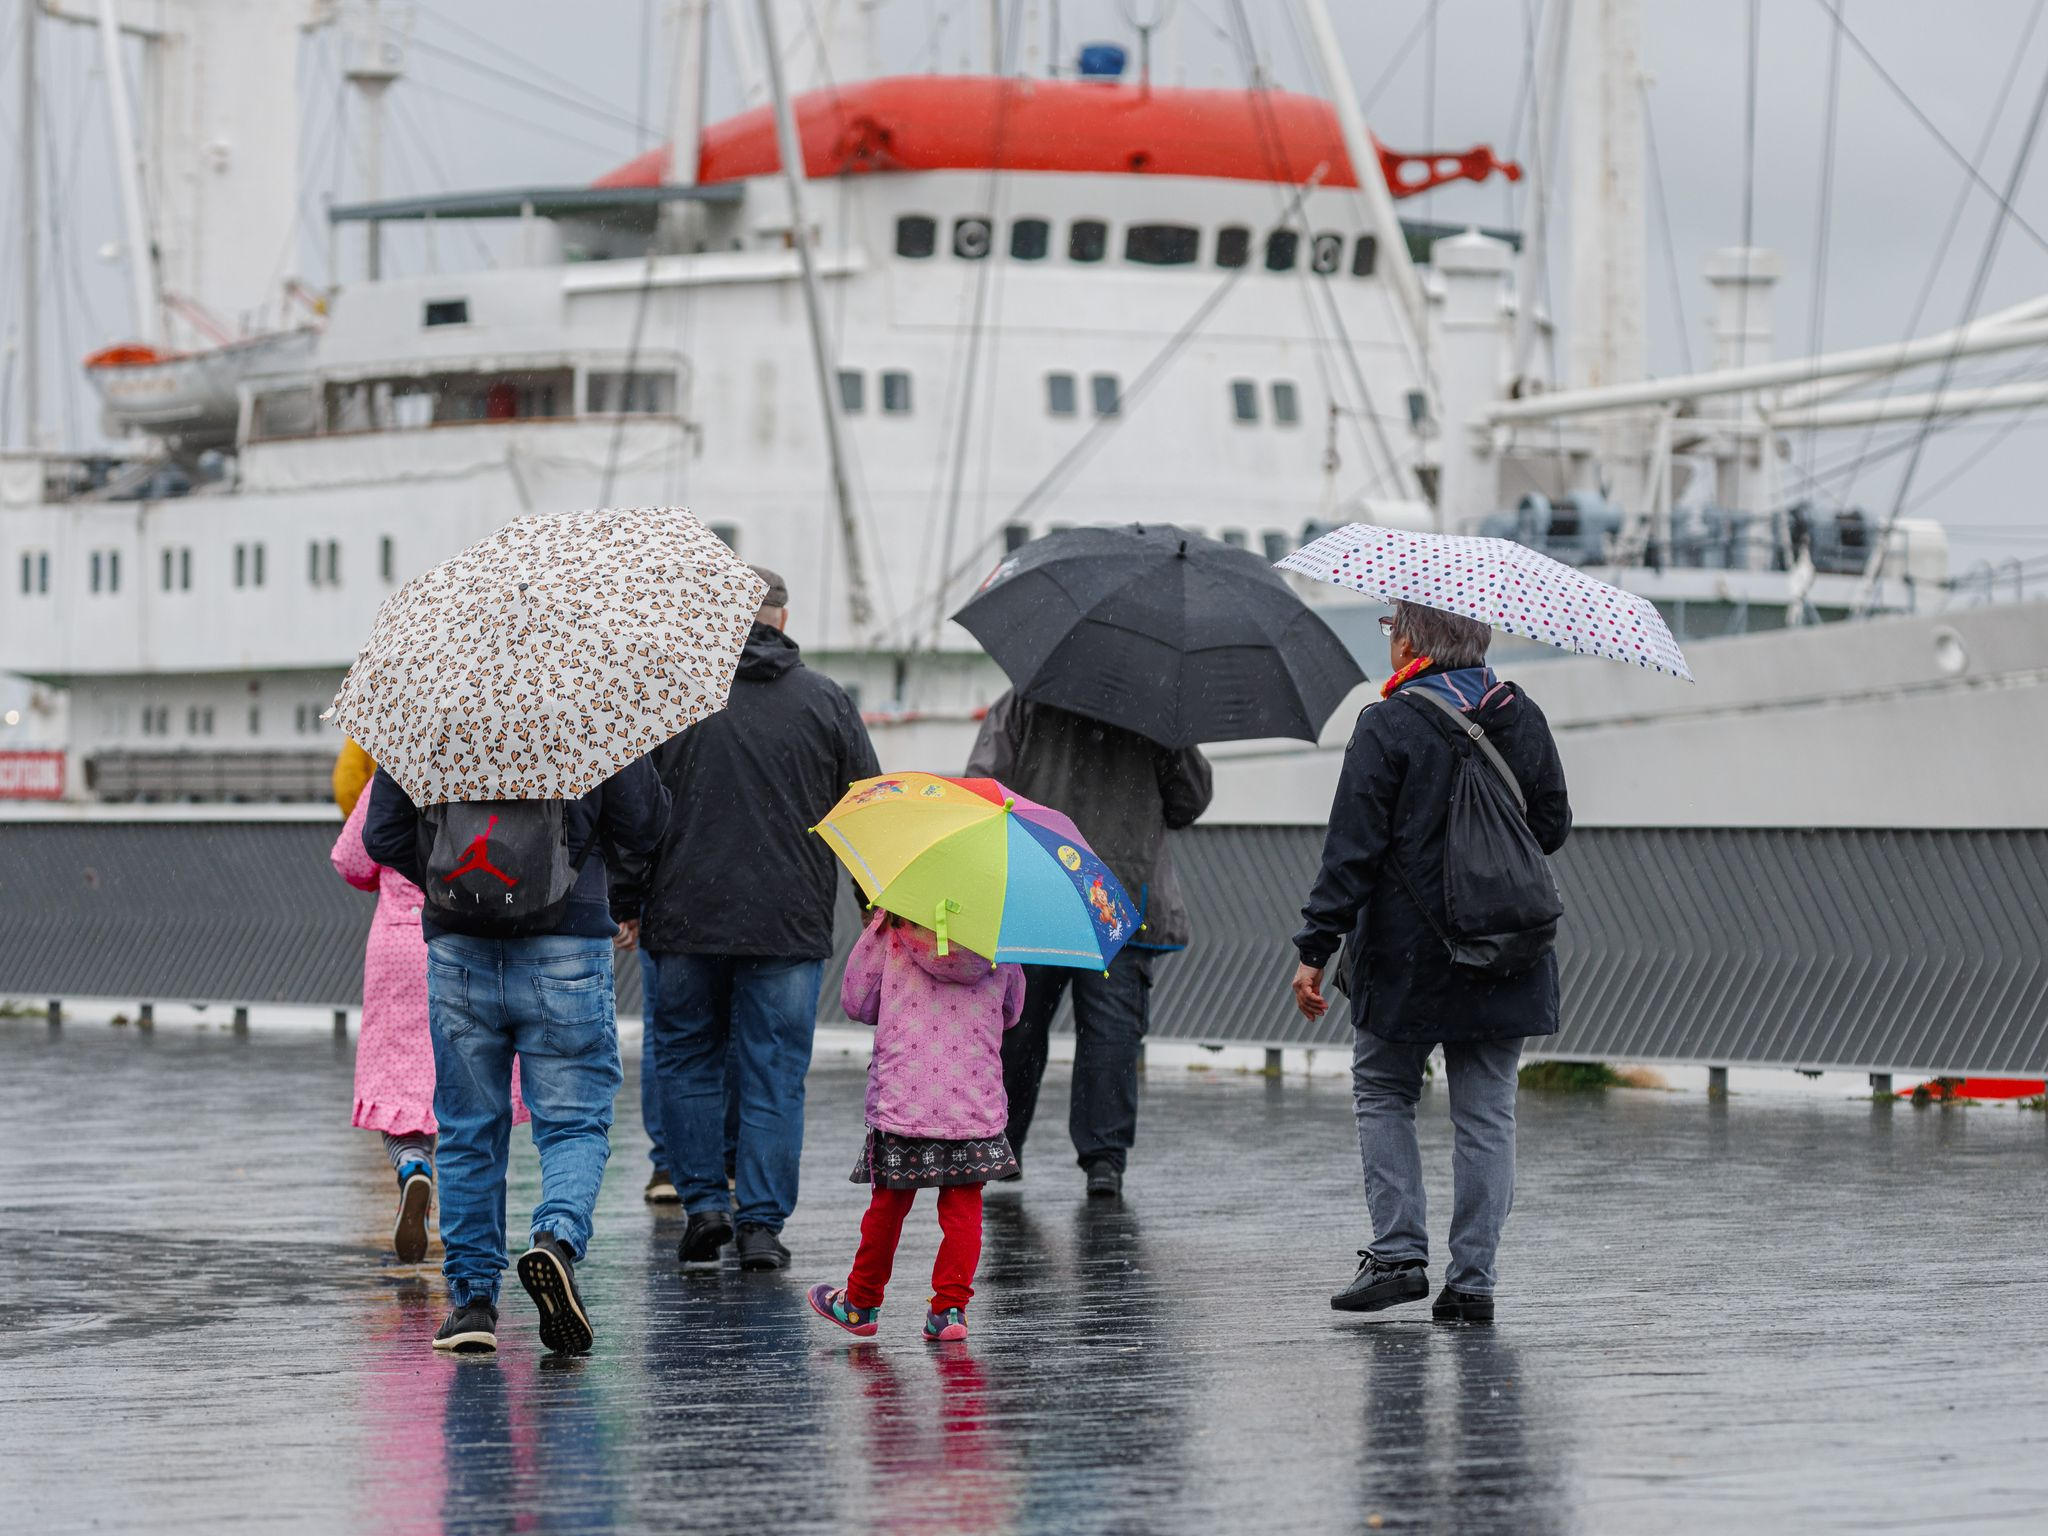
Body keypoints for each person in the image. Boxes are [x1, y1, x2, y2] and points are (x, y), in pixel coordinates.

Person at [1291, 600, 1572, 1325]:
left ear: (1413, 639)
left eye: (1391, 629)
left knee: (1385, 1088)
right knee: (1487, 1113)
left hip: (1407, 952)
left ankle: (1397, 1255)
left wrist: (1315, 947)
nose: (1390, 640)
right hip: (1505, 949)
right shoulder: (1520, 714)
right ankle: (1473, 1281)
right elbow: (1550, 827)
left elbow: (1350, 851)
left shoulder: (1387, 724)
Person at [612, 566, 879, 1273]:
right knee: (773, 1073)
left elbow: (637, 816)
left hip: (685, 918)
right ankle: (761, 1225)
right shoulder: (827, 702)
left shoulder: (673, 702)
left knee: (688, 1061)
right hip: (786, 925)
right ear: (781, 621)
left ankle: (704, 1207)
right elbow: (868, 815)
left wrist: (627, 904)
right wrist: (873, 908)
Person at [364, 756, 670, 1356]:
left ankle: (473, 1301)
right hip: (567, 940)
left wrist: (457, 883)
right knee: (573, 1122)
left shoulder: (434, 699)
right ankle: (554, 1239)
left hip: (458, 942)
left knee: (468, 1127)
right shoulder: (588, 701)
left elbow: (382, 833)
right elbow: (646, 827)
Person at [965, 694, 1211, 1199]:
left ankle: (1004, 1146)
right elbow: (1189, 802)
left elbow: (983, 786)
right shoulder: (1153, 707)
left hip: (1040, 887)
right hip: (1118, 891)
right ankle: (1104, 1160)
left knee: (1018, 1025)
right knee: (1111, 1033)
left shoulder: (1026, 701)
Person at [331, 770, 526, 1264]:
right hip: (469, 934)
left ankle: (413, 1165)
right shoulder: (494, 761)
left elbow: (352, 860)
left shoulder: (401, 760)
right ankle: (475, 1240)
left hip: (401, 938)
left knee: (398, 1086)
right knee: (466, 1080)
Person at [807, 910, 1024, 1340]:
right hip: (971, 1098)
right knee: (963, 1210)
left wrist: (879, 928)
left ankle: (861, 1303)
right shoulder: (999, 930)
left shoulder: (894, 923)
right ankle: (950, 1310)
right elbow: (1012, 1010)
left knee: (888, 1203)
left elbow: (857, 1001)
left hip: (905, 1092)